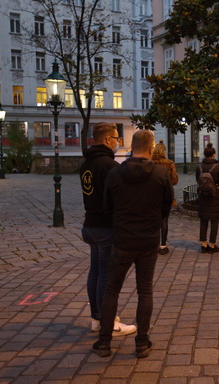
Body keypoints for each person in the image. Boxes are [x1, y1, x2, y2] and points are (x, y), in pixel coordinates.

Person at [93, 130, 174, 359]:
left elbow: (106, 207)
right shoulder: (160, 174)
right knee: (145, 290)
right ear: (150, 148)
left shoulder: (115, 174)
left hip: (122, 239)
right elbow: (166, 207)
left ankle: (104, 342)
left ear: (131, 146)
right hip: (148, 239)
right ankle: (141, 342)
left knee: (112, 289)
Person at [79, 123, 136, 336]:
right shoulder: (109, 166)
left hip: (90, 225)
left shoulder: (86, 163)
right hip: (105, 226)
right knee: (106, 275)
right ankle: (108, 322)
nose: (118, 142)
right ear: (107, 140)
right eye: (116, 138)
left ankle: (97, 318)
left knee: (95, 272)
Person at [196, 143, 219, 254]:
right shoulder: (218, 167)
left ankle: (203, 245)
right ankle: (212, 245)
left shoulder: (199, 167)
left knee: (203, 220)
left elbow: (198, 181)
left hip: (203, 196)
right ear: (213, 155)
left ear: (204, 154)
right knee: (214, 221)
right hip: (216, 196)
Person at [151, 139, 179, 255]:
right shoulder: (169, 163)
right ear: (164, 151)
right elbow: (174, 180)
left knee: (152, 220)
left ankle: (153, 244)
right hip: (166, 194)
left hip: (151, 194)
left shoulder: (150, 162)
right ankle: (163, 245)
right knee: (164, 220)